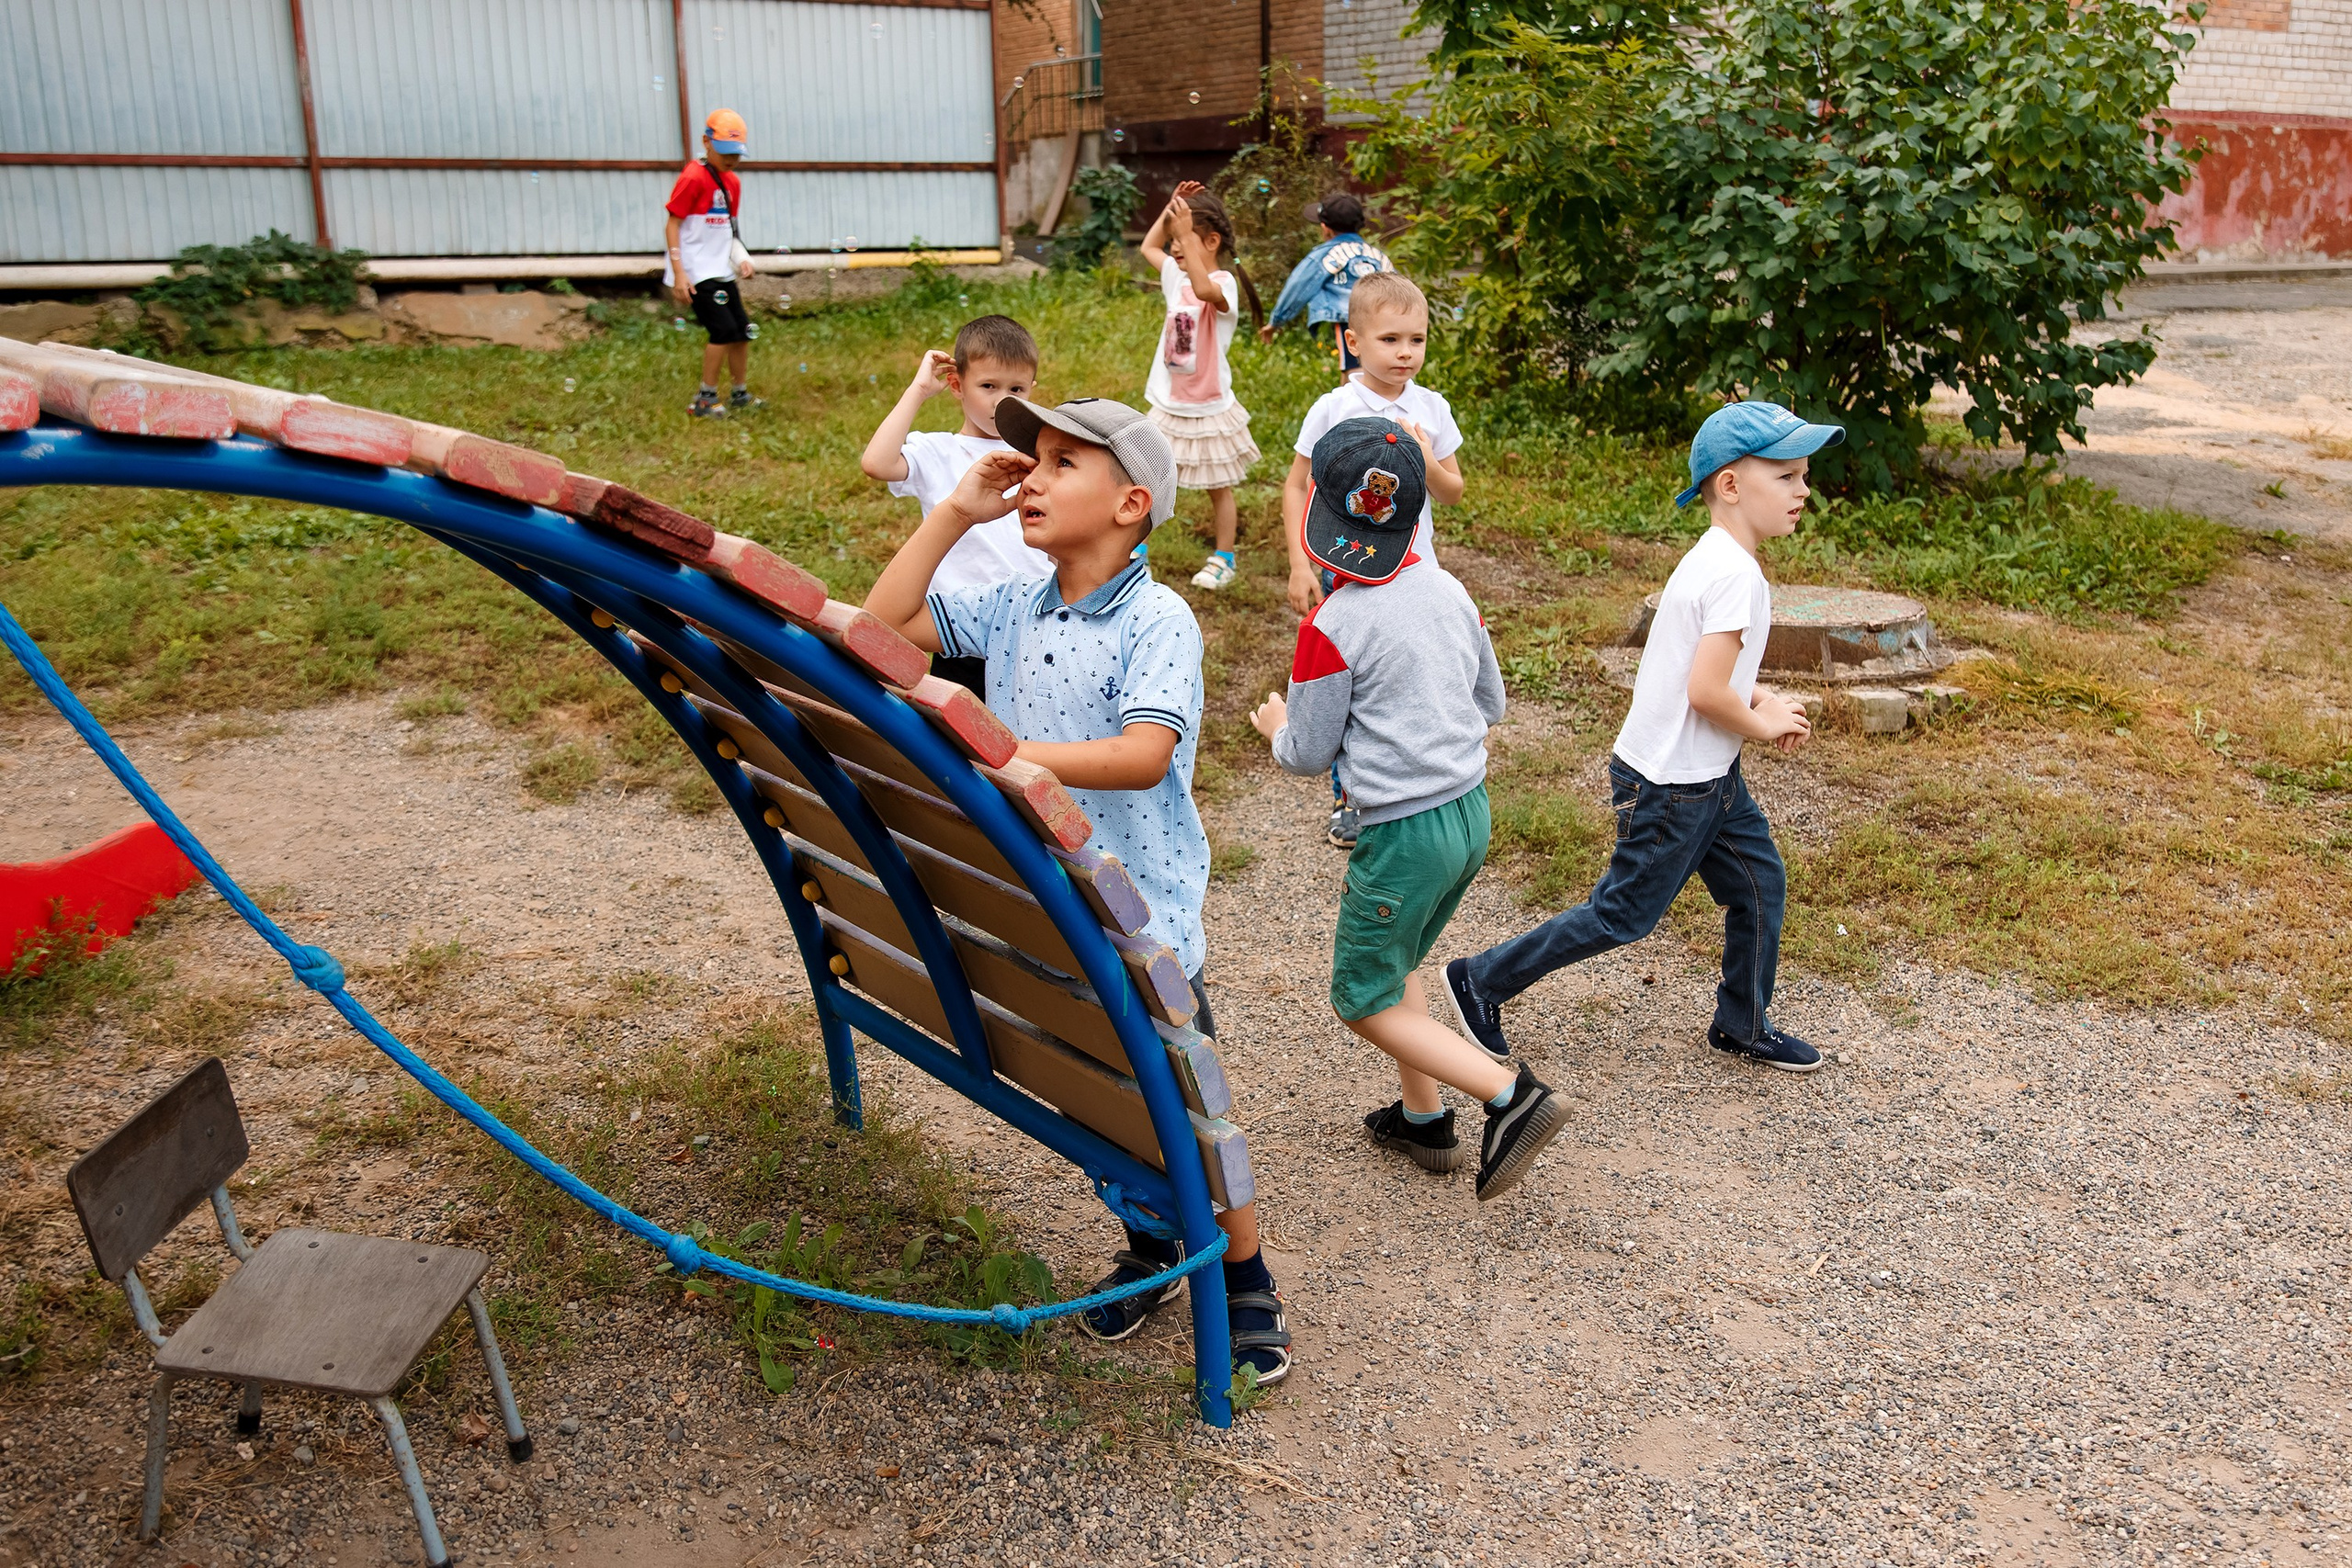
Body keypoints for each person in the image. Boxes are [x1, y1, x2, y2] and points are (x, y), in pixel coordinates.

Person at [862, 395, 1293, 1386]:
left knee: (1189, 1104)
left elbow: (1144, 756)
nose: (1032, 477)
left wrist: (1001, 758)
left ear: (1131, 503)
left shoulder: (1159, 618)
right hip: (1042, 910)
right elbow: (882, 627)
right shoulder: (1014, 602)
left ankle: (1242, 1273)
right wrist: (951, 516)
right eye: (1031, 460)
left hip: (1143, 922)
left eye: (1062, 463)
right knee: (1093, 1093)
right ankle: (1154, 1240)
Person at [1441, 401, 1842, 1076]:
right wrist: (1763, 722)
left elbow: (1712, 674)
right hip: (1673, 785)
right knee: (1622, 913)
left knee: (1758, 883)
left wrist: (1761, 695)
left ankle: (1741, 1022)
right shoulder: (1735, 574)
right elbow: (1706, 693)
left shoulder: (1720, 559)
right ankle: (1481, 977)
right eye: (1787, 476)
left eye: (1805, 476)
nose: (1805, 491)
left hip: (1707, 776)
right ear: (1731, 484)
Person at [1249, 417, 1571, 1201]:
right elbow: (1490, 700)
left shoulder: (1333, 625)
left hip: (1403, 834)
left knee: (1359, 995)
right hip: (1469, 814)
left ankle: (1508, 1094)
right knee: (1401, 963)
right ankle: (1424, 1121)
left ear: (1324, 517)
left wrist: (1275, 728)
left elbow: (1307, 753)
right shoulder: (1451, 589)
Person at [1282, 270, 1464, 848]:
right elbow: (1295, 485)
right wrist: (1298, 562)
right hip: (1344, 566)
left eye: (1417, 339)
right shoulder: (1334, 408)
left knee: (1405, 675)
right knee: (1345, 682)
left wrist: (1428, 457)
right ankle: (1349, 796)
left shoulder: (1432, 408)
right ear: (1352, 341)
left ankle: (1410, 780)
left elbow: (1453, 490)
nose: (1406, 353)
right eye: (1390, 339)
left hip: (1415, 570)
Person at [857, 314, 1049, 695]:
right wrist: (917, 390)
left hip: (1035, 624)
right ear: (956, 386)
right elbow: (876, 463)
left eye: (1017, 389)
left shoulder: (1038, 450)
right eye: (988, 386)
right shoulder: (938, 450)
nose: (1003, 400)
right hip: (958, 628)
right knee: (960, 738)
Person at [1139, 183, 1263, 592]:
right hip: (1169, 402)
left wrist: (1186, 233)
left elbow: (1207, 290)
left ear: (1210, 241)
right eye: (1174, 240)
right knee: (1146, 476)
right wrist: (1171, 212)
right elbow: (1147, 247)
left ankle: (1223, 557)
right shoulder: (1176, 279)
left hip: (1209, 407)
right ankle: (1135, 552)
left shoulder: (1222, 283)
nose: (1175, 247)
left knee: (1218, 486)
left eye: (1186, 240)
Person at [664, 109, 762, 420]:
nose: (731, 160)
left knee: (742, 331)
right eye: (724, 152)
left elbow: (729, 230)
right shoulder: (693, 177)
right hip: (696, 271)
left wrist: (742, 259)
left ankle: (739, 394)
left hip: (721, 270)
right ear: (707, 142)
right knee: (722, 330)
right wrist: (680, 274)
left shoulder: (732, 183)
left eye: (737, 154)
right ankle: (704, 398)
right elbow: (672, 225)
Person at [1260, 191, 1393, 378]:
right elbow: (1398, 289)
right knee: (1379, 369)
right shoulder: (1378, 256)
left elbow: (1298, 288)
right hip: (1384, 320)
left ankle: (1352, 406)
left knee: (1354, 371)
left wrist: (1275, 322)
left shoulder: (1324, 255)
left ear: (1325, 228)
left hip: (1349, 319)